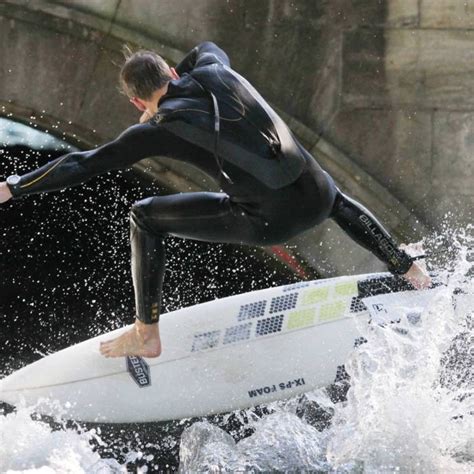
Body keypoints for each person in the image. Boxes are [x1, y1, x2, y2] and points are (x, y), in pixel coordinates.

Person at [0, 42, 430, 359]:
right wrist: (178, 75)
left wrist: (14, 186)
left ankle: (145, 332)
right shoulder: (211, 66)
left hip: (268, 223)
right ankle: (408, 268)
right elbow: (208, 47)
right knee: (327, 188)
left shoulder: (155, 129)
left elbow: (84, 163)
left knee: (144, 217)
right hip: (319, 198)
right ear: (172, 71)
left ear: (135, 101)